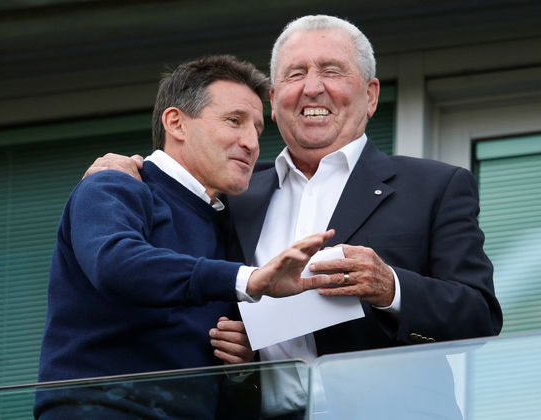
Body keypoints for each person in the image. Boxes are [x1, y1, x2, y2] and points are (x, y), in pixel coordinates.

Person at [85, 15, 503, 419]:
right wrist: (128, 168)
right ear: (273, 101)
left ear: (371, 95)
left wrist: (390, 287)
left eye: (332, 71)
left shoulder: (433, 186)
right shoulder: (233, 195)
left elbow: (479, 317)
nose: (312, 88)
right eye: (295, 74)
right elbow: (169, 247)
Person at [35, 54, 337, 420]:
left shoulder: (227, 220)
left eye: (257, 130)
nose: (251, 142)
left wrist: (240, 358)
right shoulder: (114, 185)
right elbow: (117, 264)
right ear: (176, 123)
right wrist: (248, 279)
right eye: (234, 121)